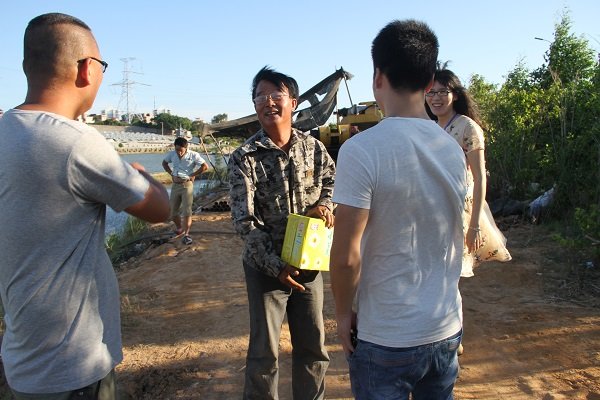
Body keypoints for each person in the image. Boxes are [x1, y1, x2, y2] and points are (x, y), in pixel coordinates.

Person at [0, 13, 170, 399]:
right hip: (72, 365)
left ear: (27, 66)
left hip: (22, 359)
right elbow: (160, 209)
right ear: (87, 69)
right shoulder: (75, 141)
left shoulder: (5, 131)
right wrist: (139, 175)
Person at [329, 20, 467, 399]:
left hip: (386, 336)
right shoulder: (451, 149)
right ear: (429, 82)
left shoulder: (361, 150)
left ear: (378, 76)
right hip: (444, 328)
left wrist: (342, 314)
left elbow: (346, 256)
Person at [228, 66, 335, 400]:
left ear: (293, 102)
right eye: (260, 96)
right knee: (265, 352)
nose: (268, 102)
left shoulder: (314, 148)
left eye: (276, 95)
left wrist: (325, 205)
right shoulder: (244, 158)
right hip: (265, 268)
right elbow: (244, 221)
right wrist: (276, 266)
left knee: (313, 347)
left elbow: (331, 183)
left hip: (308, 264)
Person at [425, 66, 511, 278]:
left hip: (459, 209)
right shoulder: (429, 128)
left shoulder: (468, 128)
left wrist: (474, 226)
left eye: (442, 92)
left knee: (450, 272)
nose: (436, 98)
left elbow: (479, 178)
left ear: (455, 95)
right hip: (433, 209)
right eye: (431, 92)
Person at [162, 135, 208, 245]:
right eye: (177, 150)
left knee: (186, 211)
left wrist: (193, 174)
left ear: (186, 148)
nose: (179, 152)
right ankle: (180, 228)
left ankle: (186, 234)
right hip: (175, 186)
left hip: (187, 185)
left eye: (181, 150)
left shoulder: (194, 155)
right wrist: (171, 174)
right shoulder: (172, 154)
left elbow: (205, 166)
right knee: (172, 212)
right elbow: (164, 163)